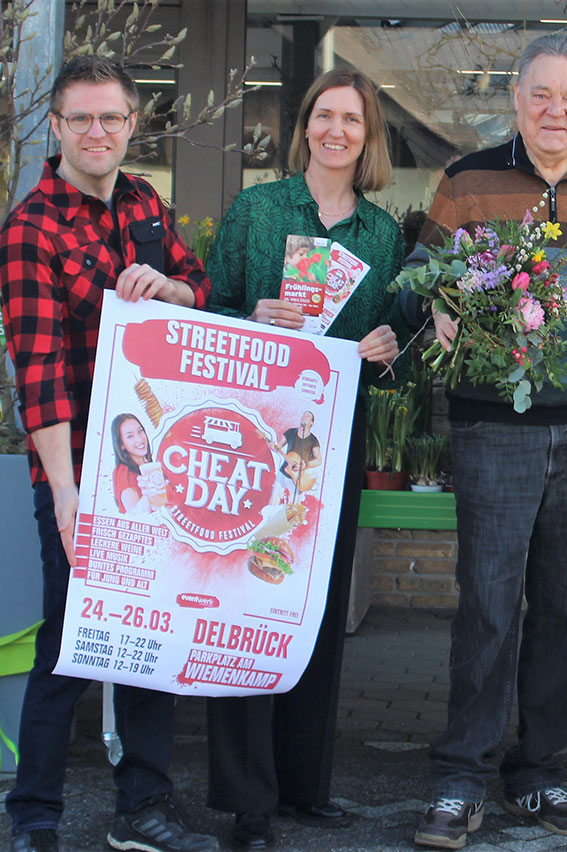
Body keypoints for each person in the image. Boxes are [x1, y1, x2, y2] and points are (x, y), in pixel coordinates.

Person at [409, 32, 567, 851]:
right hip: (493, 430)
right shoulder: (467, 180)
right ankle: (460, 779)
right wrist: (433, 309)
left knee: (566, 610)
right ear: (516, 100)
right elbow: (423, 280)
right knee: (487, 607)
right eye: (542, 95)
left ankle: (538, 769)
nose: (557, 111)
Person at [0, 57, 217, 852]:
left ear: (131, 126)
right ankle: (35, 816)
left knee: (149, 641)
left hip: (152, 473)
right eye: (81, 119)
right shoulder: (31, 229)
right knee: (69, 643)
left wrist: (172, 290)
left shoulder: (144, 204)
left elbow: (201, 290)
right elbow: (41, 375)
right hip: (81, 472)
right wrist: (65, 495)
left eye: (112, 119)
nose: (98, 133)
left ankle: (144, 811)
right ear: (55, 127)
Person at [202, 67, 404, 851]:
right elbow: (210, 306)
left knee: (314, 610)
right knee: (246, 603)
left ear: (368, 135)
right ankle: (248, 801)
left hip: (331, 442)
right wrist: (250, 313)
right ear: (306, 126)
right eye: (325, 115)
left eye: (352, 119)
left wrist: (390, 347)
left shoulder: (381, 235)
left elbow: (390, 346)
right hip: (251, 439)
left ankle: (302, 786)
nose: (336, 131)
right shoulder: (258, 210)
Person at [110, 412, 161, 513]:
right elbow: (134, 514)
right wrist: (149, 495)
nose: (139, 439)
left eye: (140, 431)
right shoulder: (124, 473)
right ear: (121, 445)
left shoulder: (153, 461)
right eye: (130, 436)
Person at [269, 410, 322, 499]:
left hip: (299, 478)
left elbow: (319, 460)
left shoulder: (313, 440)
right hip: (284, 472)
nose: (304, 418)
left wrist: (305, 465)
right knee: (274, 500)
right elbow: (279, 446)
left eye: (307, 417)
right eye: (303, 416)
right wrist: (273, 446)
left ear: (311, 423)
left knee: (293, 509)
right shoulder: (291, 432)